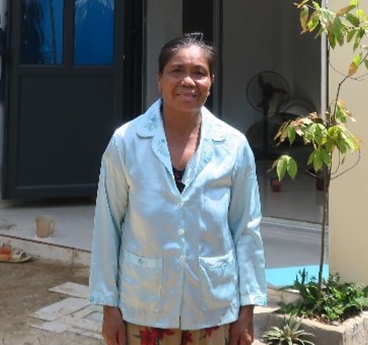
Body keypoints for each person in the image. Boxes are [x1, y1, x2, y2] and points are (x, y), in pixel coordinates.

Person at [89, 33, 267, 345]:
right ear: (159, 79)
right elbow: (108, 227)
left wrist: (247, 309)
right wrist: (108, 306)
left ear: (211, 81)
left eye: (199, 72)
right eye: (176, 71)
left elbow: (247, 231)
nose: (188, 81)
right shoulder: (126, 142)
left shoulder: (234, 146)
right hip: (143, 307)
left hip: (213, 307)